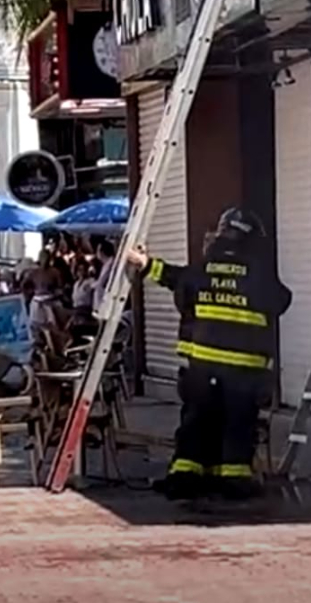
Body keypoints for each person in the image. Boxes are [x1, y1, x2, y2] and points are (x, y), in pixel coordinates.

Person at [127, 207, 292, 502]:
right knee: (237, 424)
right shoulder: (258, 271)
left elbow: (173, 277)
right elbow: (281, 300)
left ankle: (186, 475)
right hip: (244, 369)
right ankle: (234, 479)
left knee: (197, 420)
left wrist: (144, 262)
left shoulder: (202, 268)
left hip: (201, 366)